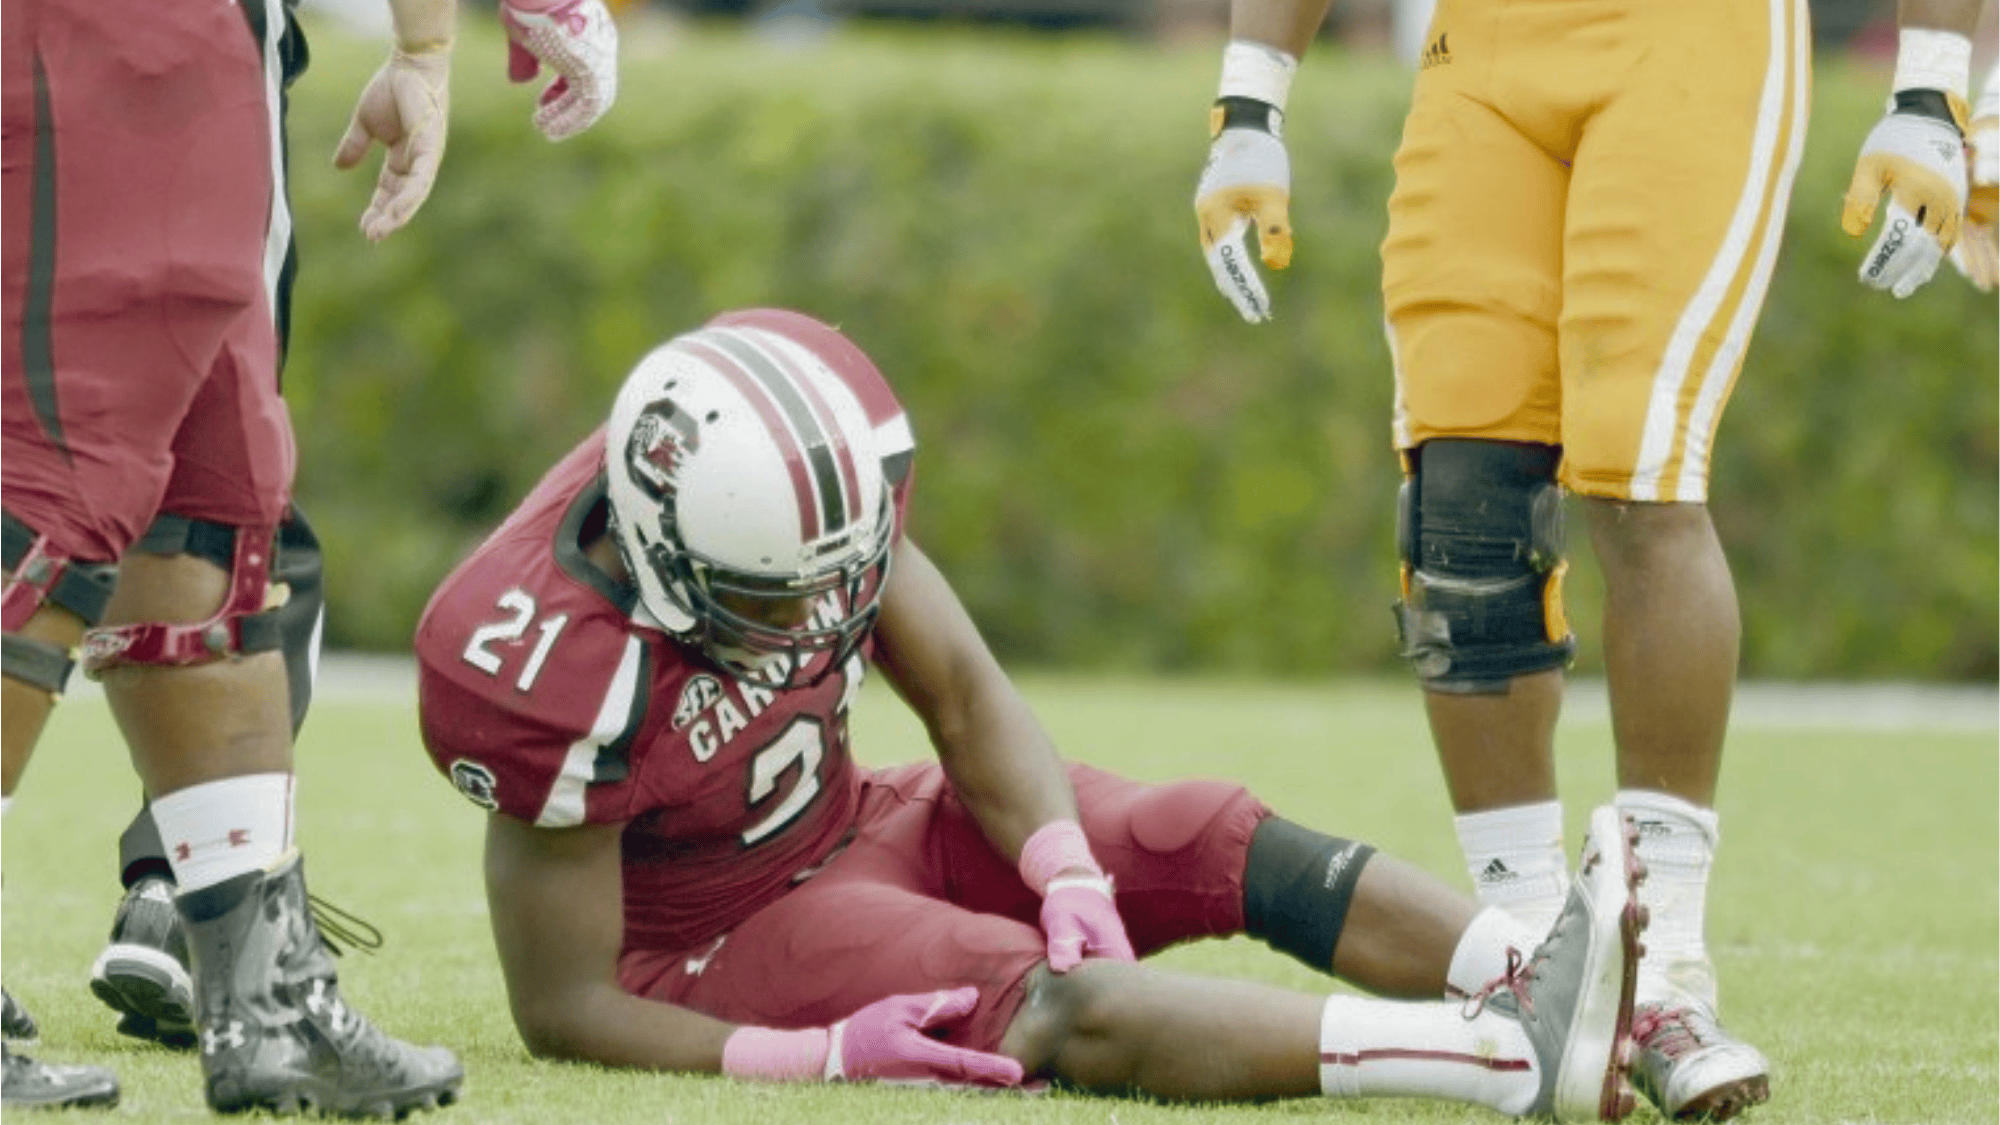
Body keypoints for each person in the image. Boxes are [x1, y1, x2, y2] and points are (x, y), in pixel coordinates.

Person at [412, 306, 1648, 1120]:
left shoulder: (792, 471)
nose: (818, 618)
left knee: (1192, 831)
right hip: (721, 937)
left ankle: (1552, 983)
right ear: (668, 553)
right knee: (1050, 1002)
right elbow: (561, 1007)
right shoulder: (530, 663)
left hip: (864, 813)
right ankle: (1496, 1061)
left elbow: (957, 689)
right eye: (773, 599)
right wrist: (809, 1058)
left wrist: (1061, 865)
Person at [1190, 0, 1987, 1120]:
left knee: (1637, 474)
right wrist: (1248, 98)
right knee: (1457, 506)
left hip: (1693, 40)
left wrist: (1937, 85)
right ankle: (1525, 970)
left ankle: (1664, 979)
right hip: (1481, 49)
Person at [0, 0, 616, 1112]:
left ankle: (268, 998)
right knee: (54, 487)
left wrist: (424, 44)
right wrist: (438, 43)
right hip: (98, 36)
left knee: (211, 507)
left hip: (204, 47)